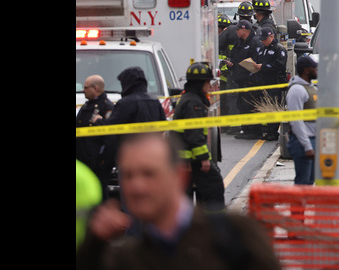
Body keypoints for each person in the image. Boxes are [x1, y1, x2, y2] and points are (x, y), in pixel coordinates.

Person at [77, 133, 281, 270]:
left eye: (149, 174)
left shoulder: (235, 234)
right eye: (127, 175)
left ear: (179, 177)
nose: (137, 186)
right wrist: (95, 244)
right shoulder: (124, 257)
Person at [100, 67, 168, 188]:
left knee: (131, 193)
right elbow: (163, 125)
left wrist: (99, 122)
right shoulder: (154, 101)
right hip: (152, 155)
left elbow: (111, 127)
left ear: (128, 83)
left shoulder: (125, 103)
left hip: (130, 156)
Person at [172, 62, 225, 212]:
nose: (210, 85)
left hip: (187, 161)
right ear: (200, 83)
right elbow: (194, 133)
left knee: (191, 195)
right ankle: (216, 223)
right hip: (192, 160)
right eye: (208, 81)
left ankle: (201, 225)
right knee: (214, 186)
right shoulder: (193, 103)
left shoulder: (190, 99)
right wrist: (203, 158)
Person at [248, 27, 289, 141]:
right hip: (262, 82)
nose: (262, 41)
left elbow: (280, 66)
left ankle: (273, 132)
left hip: (274, 82)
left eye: (265, 39)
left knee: (273, 106)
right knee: (264, 106)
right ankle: (266, 130)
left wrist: (263, 67)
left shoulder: (279, 49)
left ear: (271, 37)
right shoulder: (262, 49)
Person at [77, 75, 114, 189]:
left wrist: (102, 159)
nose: (83, 90)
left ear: (96, 88)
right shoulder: (87, 105)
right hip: (83, 158)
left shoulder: (107, 107)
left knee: (99, 192)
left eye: (86, 87)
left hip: (96, 160)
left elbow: (110, 135)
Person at [285, 56, 318, 185]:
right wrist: (307, 146)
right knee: (303, 182)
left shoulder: (312, 88)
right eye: (314, 68)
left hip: (312, 139)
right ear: (306, 70)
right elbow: (296, 121)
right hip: (302, 142)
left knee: (310, 181)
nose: (317, 71)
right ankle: (298, 206)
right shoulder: (297, 90)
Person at [229, 21, 262, 138]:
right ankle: (246, 130)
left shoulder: (255, 42)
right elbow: (234, 57)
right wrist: (231, 64)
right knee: (242, 105)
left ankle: (254, 131)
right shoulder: (239, 43)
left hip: (252, 81)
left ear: (244, 30)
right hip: (241, 81)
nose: (236, 32)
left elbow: (257, 61)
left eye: (238, 29)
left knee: (250, 106)